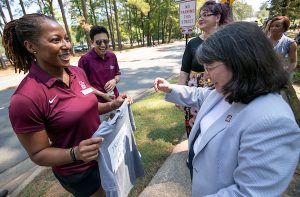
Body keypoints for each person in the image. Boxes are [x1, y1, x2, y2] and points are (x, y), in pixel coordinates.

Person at [154, 22, 300, 196]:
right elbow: (202, 96)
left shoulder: (273, 122)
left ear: (240, 62)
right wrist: (171, 88)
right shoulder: (229, 88)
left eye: (210, 67)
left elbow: (249, 192)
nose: (206, 76)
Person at [3, 14, 130, 197]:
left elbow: (88, 108)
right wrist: (75, 153)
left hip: (105, 156)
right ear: (31, 47)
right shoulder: (25, 99)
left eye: (66, 39)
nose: (67, 46)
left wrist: (113, 105)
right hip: (79, 171)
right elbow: (38, 153)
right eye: (56, 40)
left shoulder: (77, 72)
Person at [178, 0, 231, 137]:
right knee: (193, 126)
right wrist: (179, 94)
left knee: (215, 127)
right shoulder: (193, 43)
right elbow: (184, 71)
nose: (201, 18)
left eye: (206, 14)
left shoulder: (227, 40)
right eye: (200, 15)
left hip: (221, 90)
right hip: (195, 91)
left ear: (217, 17)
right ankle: (193, 154)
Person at [78, 26, 121, 122]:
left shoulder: (112, 56)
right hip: (99, 106)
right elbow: (83, 86)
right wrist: (102, 95)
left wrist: (114, 80)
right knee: (102, 135)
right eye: (98, 42)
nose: (103, 45)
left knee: (119, 130)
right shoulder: (85, 60)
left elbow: (118, 75)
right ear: (92, 42)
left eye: (105, 41)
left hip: (115, 100)